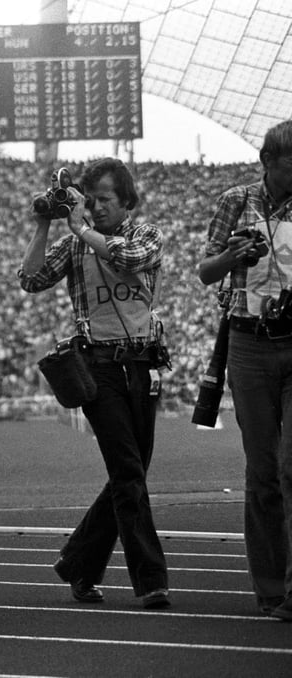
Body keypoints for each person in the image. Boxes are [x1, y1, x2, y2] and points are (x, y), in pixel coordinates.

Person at [19, 157, 171, 609]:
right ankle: (151, 579)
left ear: (127, 202)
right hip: (98, 366)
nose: (98, 206)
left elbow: (128, 257)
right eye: (93, 199)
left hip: (142, 365)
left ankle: (79, 563)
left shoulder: (146, 235)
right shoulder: (74, 245)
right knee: (127, 471)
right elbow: (30, 278)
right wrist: (45, 225)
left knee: (133, 472)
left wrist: (80, 227)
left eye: (105, 199)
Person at [196, 119, 292, 620]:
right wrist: (236, 251)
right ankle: (272, 588)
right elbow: (205, 270)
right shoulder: (236, 200)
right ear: (267, 162)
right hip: (248, 343)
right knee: (263, 471)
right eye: (290, 163)